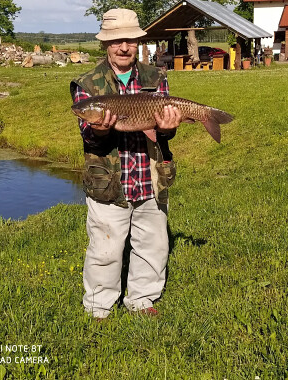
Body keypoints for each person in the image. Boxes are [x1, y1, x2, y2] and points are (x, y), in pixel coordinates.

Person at [70, 8, 182, 319]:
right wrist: (99, 129)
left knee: (153, 244)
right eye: (117, 41)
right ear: (105, 44)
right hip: (110, 181)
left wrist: (168, 126)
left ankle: (143, 301)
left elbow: (165, 133)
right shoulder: (88, 84)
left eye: (130, 41)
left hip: (149, 176)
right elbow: (91, 140)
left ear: (137, 43)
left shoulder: (155, 77)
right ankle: (99, 307)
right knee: (105, 250)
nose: (123, 48)